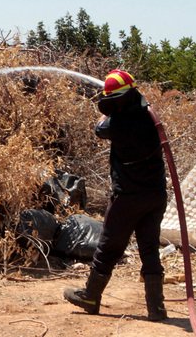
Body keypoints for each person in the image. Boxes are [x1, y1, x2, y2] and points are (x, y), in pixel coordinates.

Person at [63, 69, 168, 321]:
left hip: (128, 198)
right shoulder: (149, 117)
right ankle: (157, 308)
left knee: (108, 246)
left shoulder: (116, 124)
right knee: (149, 248)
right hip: (155, 196)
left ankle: (90, 296)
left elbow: (100, 128)